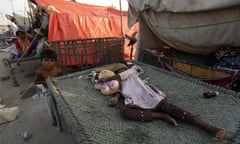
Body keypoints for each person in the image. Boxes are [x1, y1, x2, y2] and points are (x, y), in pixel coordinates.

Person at [98, 65, 226, 142]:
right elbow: (118, 91)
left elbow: (122, 76)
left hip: (149, 96)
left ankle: (210, 128)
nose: (120, 71)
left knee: (174, 110)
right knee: (124, 112)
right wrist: (115, 98)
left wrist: (109, 78)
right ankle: (160, 116)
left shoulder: (130, 72)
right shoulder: (118, 84)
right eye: (118, 70)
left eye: (121, 69)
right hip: (135, 101)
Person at [33, 49, 63, 126]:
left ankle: (60, 114)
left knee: (61, 103)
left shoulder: (58, 71)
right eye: (46, 60)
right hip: (47, 90)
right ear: (41, 61)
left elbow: (62, 79)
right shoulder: (39, 72)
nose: (49, 62)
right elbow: (35, 82)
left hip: (57, 89)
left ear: (55, 62)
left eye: (52, 60)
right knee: (50, 105)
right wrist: (46, 82)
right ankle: (54, 117)